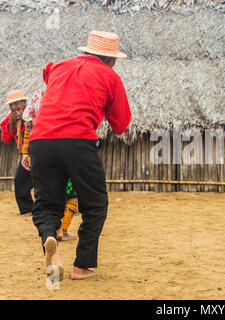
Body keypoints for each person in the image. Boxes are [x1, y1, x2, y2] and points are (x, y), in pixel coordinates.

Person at [29, 30, 131, 280]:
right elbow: (120, 125)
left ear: (85, 51)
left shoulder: (59, 67)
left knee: (47, 203)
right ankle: (81, 266)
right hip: (78, 141)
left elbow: (47, 72)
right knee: (95, 205)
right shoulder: (110, 76)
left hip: (41, 140)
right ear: (111, 59)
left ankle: (50, 240)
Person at [21, 62, 78, 241]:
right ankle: (63, 230)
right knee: (72, 194)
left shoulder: (37, 98)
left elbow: (28, 127)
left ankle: (50, 232)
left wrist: (25, 152)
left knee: (47, 197)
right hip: (65, 151)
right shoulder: (70, 96)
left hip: (40, 152)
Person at [1, 90, 34, 216]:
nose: (13, 107)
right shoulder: (11, 118)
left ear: (24, 102)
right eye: (11, 105)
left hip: (37, 151)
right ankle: (28, 210)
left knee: (46, 181)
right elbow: (7, 139)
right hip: (25, 155)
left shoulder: (32, 113)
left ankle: (69, 206)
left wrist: (25, 120)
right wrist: (11, 122)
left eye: (16, 104)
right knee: (20, 181)